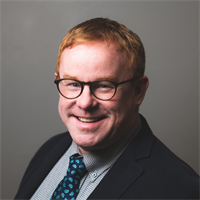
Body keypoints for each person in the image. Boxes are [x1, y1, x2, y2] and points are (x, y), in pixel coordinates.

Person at [15, 18, 199, 200]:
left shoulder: (181, 192)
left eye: (104, 85)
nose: (85, 103)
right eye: (73, 84)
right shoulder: (50, 149)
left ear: (138, 91)